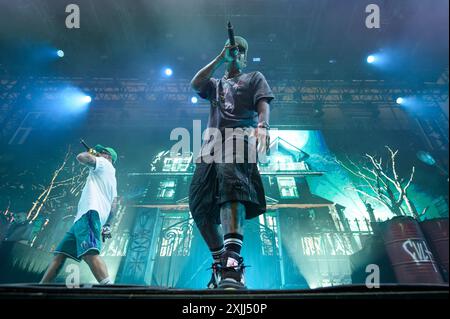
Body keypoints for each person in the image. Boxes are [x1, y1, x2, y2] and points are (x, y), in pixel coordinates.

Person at [189, 35, 274, 289]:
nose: (235, 53)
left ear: (245, 56)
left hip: (239, 138)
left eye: (239, 50)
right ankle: (220, 264)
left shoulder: (254, 77)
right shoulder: (214, 83)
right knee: (198, 203)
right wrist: (219, 58)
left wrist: (263, 126)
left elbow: (263, 105)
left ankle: (233, 264)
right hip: (210, 146)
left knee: (231, 186)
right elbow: (195, 84)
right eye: (231, 49)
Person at [40, 145, 118, 285]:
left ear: (108, 157)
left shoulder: (104, 163)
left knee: (89, 252)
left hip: (89, 213)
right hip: (82, 218)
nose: (99, 153)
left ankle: (109, 287)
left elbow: (81, 157)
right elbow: (114, 205)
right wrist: (107, 225)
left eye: (102, 152)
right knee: (60, 255)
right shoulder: (112, 178)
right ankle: (41, 288)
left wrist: (92, 154)